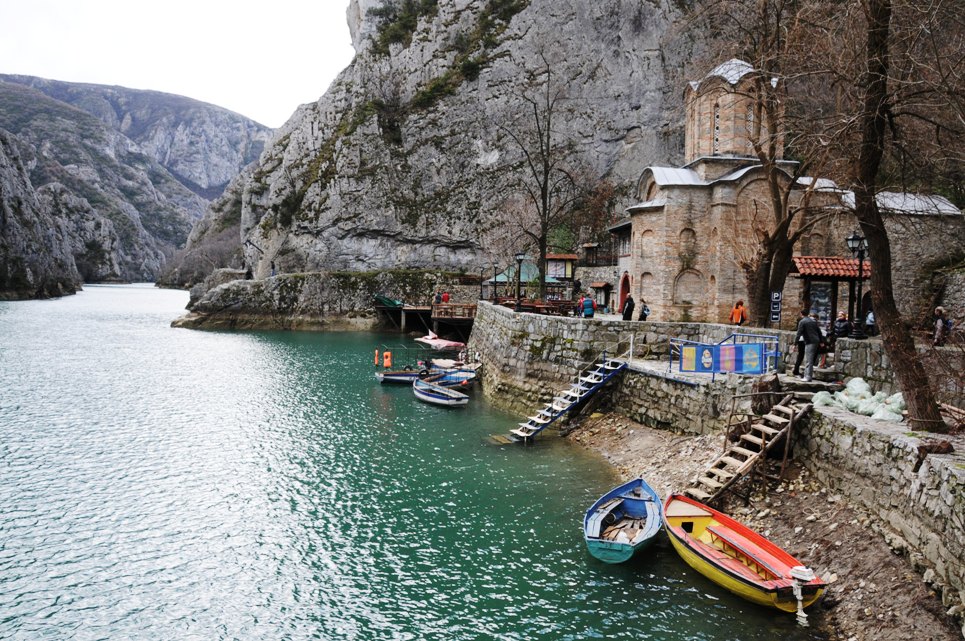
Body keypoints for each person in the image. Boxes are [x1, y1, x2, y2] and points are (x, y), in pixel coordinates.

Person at [794, 309, 822, 382]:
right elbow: (819, 332)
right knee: (810, 359)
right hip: (816, 341)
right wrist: (822, 341)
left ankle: (808, 377)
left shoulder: (802, 321)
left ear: (801, 314)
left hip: (810, 341)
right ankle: (807, 376)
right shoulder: (813, 321)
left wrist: (795, 343)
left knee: (808, 360)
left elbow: (798, 333)